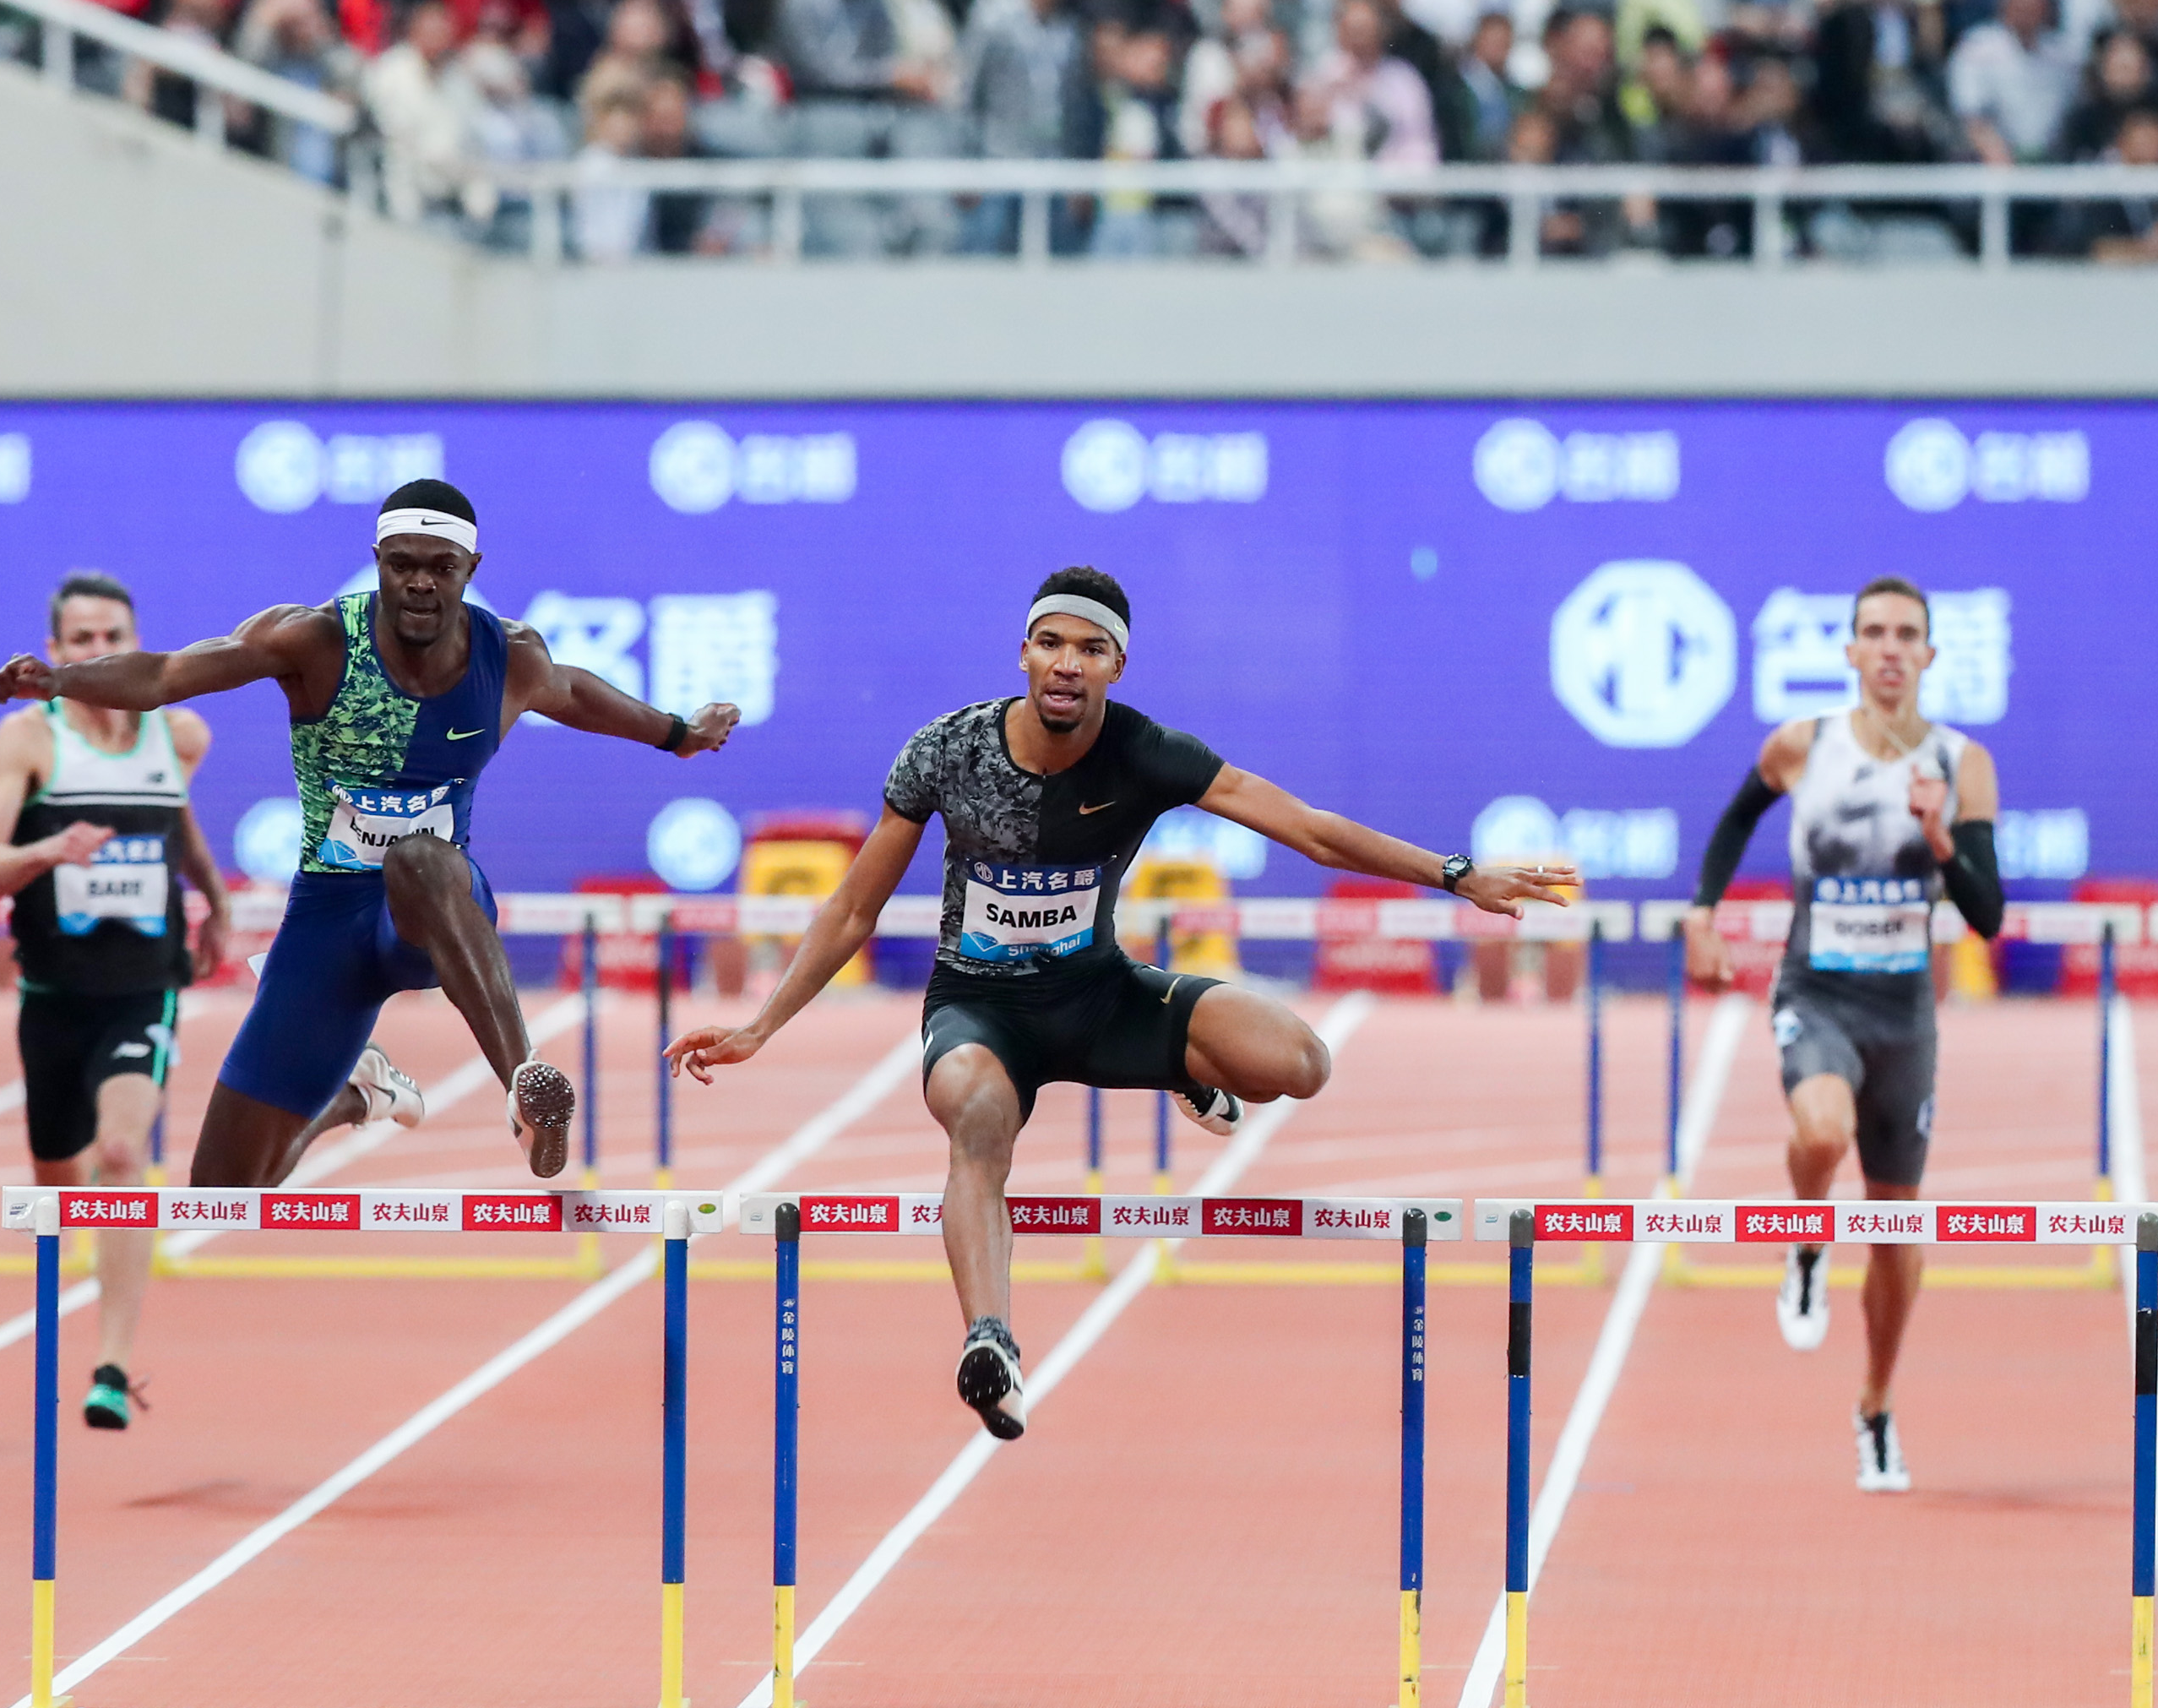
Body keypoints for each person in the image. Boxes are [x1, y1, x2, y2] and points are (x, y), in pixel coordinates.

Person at [665, 567, 1575, 1441]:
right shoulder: (946, 750)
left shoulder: (1147, 752)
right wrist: (759, 1025)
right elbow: (853, 905)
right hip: (979, 1008)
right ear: (1022, 652)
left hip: (1099, 995)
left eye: (1090, 649)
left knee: (1299, 1062)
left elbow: (1306, 829)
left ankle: (1188, 1071)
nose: (1068, 662)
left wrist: (1455, 874)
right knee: (976, 1115)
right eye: (1051, 643)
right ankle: (992, 1338)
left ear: (1116, 667)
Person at [0, 479, 737, 1189]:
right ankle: (356, 1097)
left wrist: (681, 734)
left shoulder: (509, 656)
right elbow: (165, 676)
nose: (420, 583)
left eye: (441, 568)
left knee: (419, 859)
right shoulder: (312, 640)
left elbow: (578, 693)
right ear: (378, 561)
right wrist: (59, 682)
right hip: (329, 922)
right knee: (220, 1191)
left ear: (471, 569)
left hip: (434, 914)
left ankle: (522, 1085)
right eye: (403, 565)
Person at [1684, 578, 2005, 1494]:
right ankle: (1806, 1241)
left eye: (1909, 633)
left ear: (1932, 655)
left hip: (1903, 1012)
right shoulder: (1804, 744)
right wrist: (1704, 912)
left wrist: (1941, 834)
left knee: (1900, 1224)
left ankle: (1874, 1406)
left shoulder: (1961, 762)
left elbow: (1984, 915)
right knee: (1820, 1131)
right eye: (1874, 632)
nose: (1891, 647)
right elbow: (1736, 816)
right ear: (1852, 652)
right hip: (1816, 991)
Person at [0, 573, 280, 1431]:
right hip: (52, 992)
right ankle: (80, 1283)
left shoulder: (178, 732)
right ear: (56, 652)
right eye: (80, 639)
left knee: (121, 1150)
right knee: (59, 1179)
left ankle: (110, 1365)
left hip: (144, 986)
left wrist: (212, 895)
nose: (98, 652)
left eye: (113, 637)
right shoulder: (28, 739)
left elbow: (174, 821)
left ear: (137, 646)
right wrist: (51, 846)